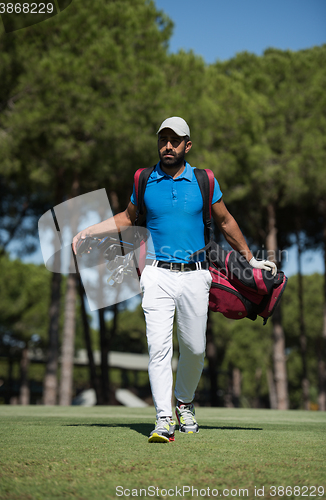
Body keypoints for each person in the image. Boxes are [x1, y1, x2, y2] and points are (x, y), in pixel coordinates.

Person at [72, 116, 276, 443]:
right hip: (156, 274)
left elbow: (225, 221)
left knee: (195, 350)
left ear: (187, 145)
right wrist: (88, 230)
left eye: (175, 140)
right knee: (158, 349)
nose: (168, 145)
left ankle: (184, 403)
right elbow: (127, 217)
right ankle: (163, 418)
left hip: (197, 276)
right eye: (163, 139)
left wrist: (250, 259)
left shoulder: (204, 180)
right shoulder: (143, 178)